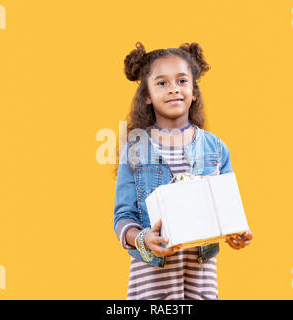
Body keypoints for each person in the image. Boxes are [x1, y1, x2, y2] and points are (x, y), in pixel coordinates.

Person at [113, 42, 253, 300]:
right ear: (147, 95)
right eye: (162, 83)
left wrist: (237, 232)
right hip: (152, 283)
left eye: (181, 81)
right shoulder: (135, 150)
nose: (174, 89)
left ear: (193, 91)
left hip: (201, 280)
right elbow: (123, 217)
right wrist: (144, 239)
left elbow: (228, 210)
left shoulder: (216, 148)